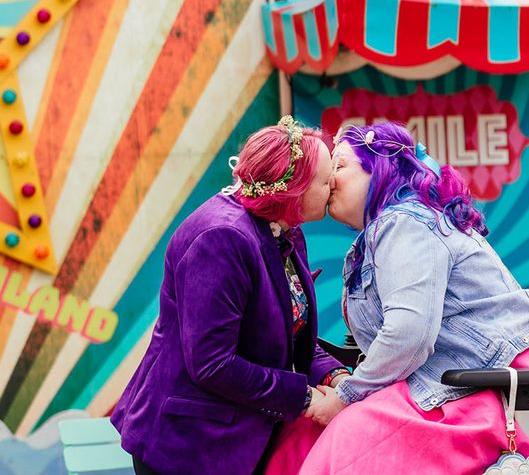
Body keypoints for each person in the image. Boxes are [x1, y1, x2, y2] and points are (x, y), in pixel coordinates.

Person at [264, 122, 529, 475]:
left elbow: (408, 336)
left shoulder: (406, 222)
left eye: (340, 166)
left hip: (495, 385)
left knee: (349, 437)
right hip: (458, 377)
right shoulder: (379, 235)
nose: (329, 179)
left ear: (380, 167)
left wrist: (344, 395)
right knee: (303, 437)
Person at [111, 116, 351, 475]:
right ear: (293, 192)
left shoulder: (283, 227)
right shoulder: (220, 239)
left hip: (234, 435)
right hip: (188, 444)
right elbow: (212, 364)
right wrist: (306, 398)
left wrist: (335, 376)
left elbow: (287, 331)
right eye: (324, 178)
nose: (333, 183)